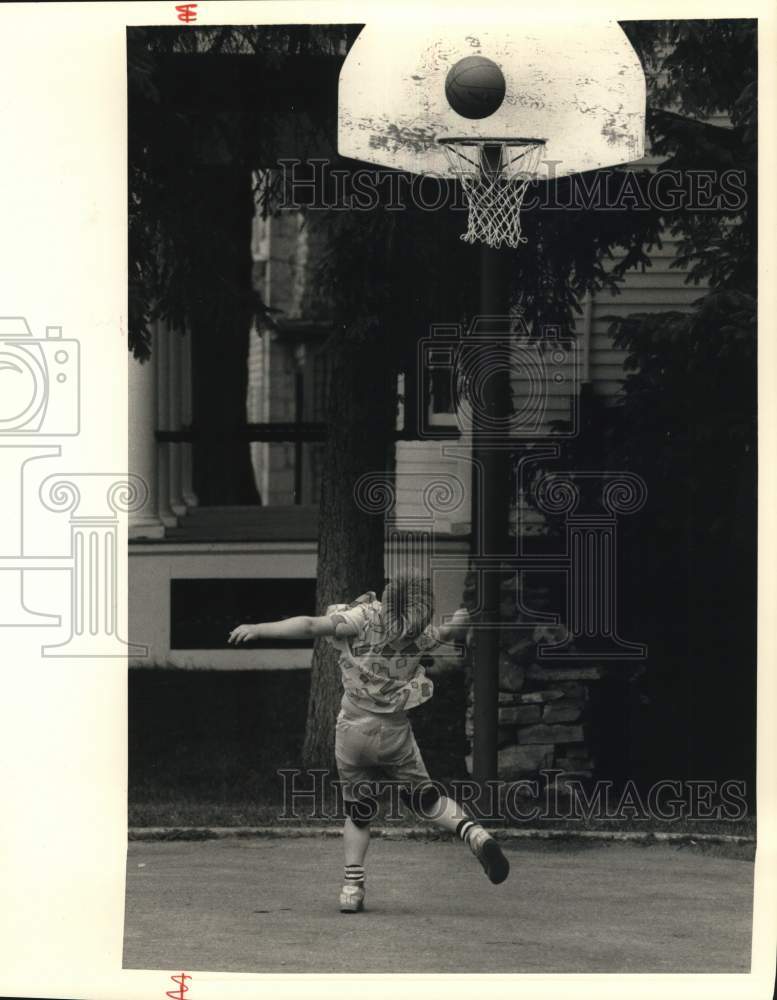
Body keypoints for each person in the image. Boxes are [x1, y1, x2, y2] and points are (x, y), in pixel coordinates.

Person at [228, 570, 509, 913]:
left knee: (359, 811)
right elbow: (451, 629)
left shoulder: (362, 618)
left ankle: (352, 888)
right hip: (394, 735)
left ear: (389, 596)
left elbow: (310, 626)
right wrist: (472, 608)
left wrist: (259, 629)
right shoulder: (419, 634)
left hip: (353, 732)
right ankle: (474, 834)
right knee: (426, 799)